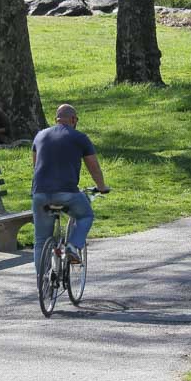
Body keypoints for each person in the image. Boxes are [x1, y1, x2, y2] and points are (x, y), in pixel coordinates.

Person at [31, 104, 108, 274]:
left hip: (40, 194)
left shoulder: (40, 136)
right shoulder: (79, 137)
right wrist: (101, 187)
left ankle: (43, 283)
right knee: (86, 215)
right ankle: (73, 246)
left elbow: (35, 166)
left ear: (56, 119)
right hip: (67, 193)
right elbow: (93, 167)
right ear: (73, 120)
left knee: (41, 240)